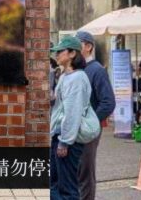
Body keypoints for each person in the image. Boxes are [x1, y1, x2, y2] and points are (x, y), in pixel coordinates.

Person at [50, 36, 91, 200]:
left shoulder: (77, 78)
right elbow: (62, 106)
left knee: (67, 189)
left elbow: (72, 112)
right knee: (54, 186)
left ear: (73, 53)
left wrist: (64, 141)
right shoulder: (65, 76)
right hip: (58, 136)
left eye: (60, 51)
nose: (56, 55)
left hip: (67, 140)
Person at [75, 31, 115, 200]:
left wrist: (90, 122)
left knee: (85, 171)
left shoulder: (97, 70)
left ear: (88, 46)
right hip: (74, 129)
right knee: (76, 170)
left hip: (89, 130)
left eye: (77, 45)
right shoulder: (77, 69)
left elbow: (108, 102)